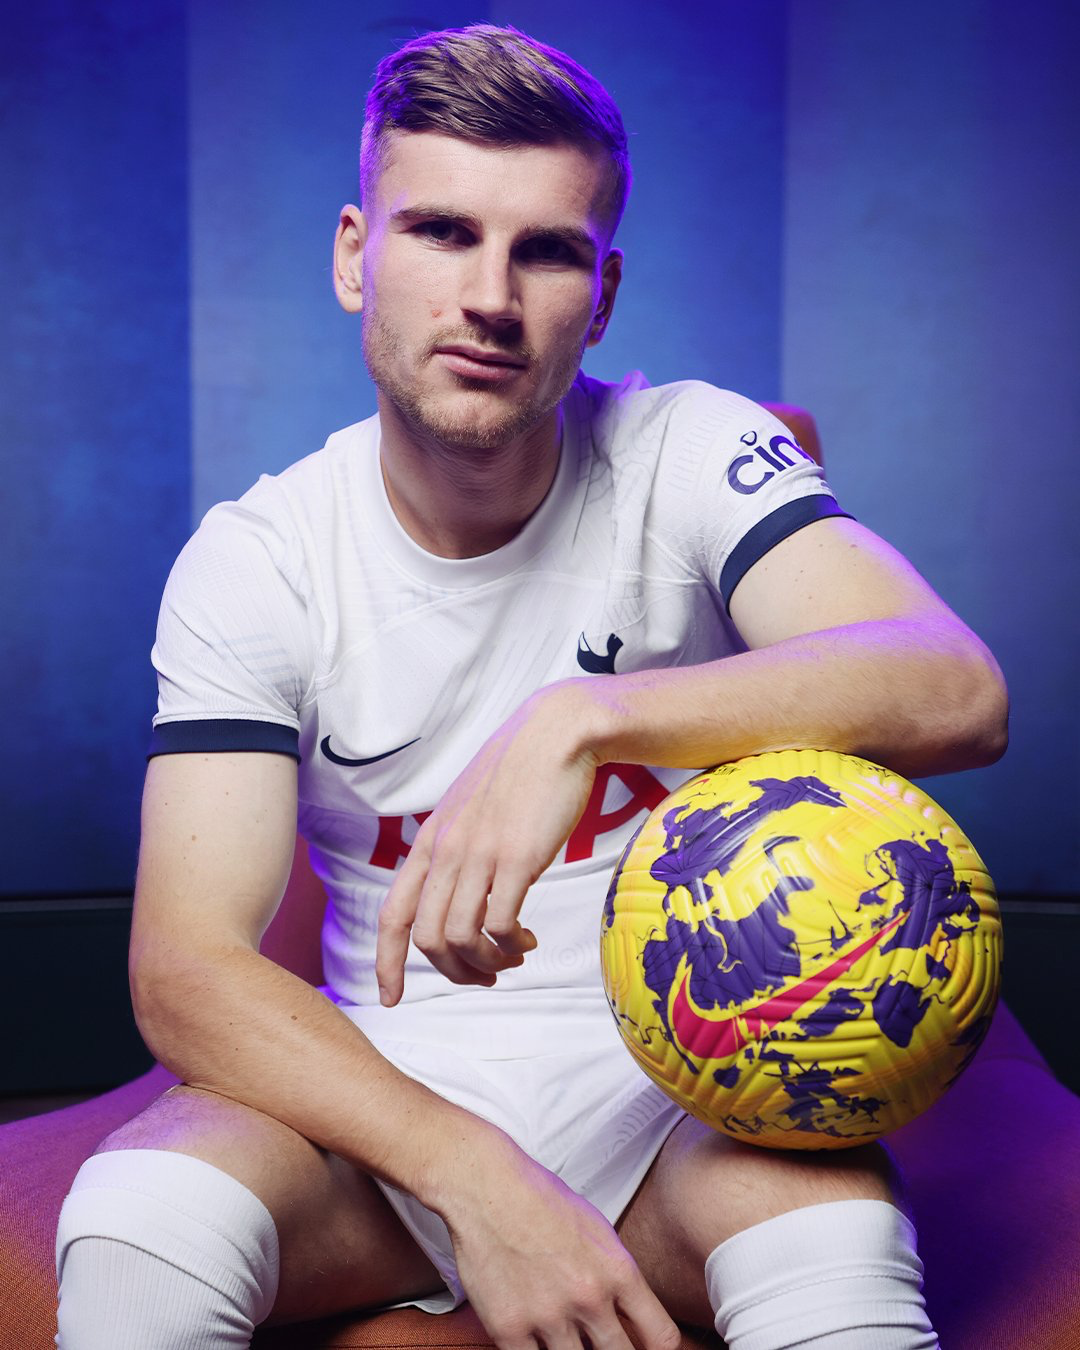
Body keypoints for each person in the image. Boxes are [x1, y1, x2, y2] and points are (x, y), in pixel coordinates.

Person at [54, 23, 1006, 1350]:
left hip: (686, 1099)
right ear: (355, 255)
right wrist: (477, 1176)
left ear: (601, 296)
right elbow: (185, 969)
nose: (490, 296)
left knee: (835, 1243)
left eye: (546, 250)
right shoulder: (261, 558)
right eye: (442, 231)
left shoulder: (689, 449)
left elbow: (956, 687)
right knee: (140, 1218)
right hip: (382, 1109)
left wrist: (586, 718)